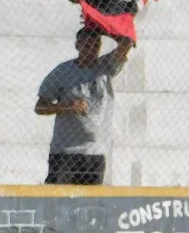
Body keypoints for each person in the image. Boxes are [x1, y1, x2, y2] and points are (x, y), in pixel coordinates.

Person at [35, 28, 133, 185]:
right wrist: (67, 107)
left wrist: (103, 26)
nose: (90, 50)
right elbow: (40, 107)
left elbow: (127, 43)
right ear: (77, 46)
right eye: (86, 45)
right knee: (58, 201)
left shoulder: (105, 67)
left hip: (95, 151)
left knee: (90, 204)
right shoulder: (63, 71)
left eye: (94, 46)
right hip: (65, 151)